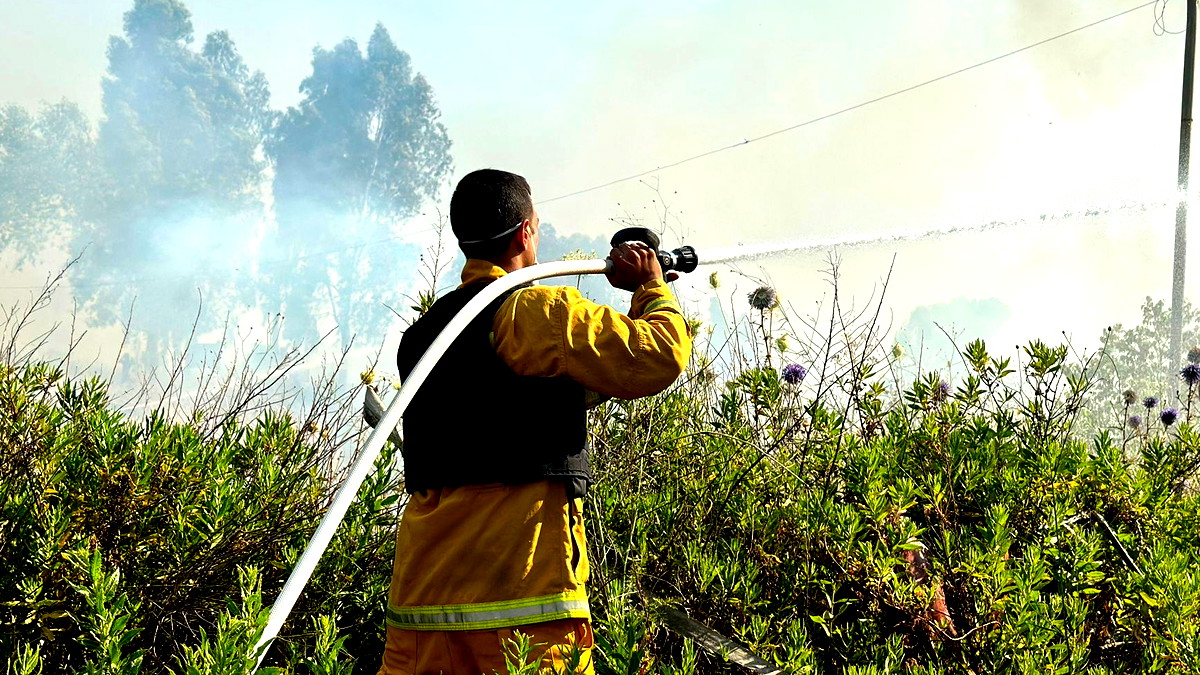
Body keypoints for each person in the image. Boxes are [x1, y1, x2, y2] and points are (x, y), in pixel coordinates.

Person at [377, 169, 691, 674]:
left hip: (423, 607)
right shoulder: (531, 312)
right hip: (521, 609)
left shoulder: (423, 335)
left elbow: (518, 401)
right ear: (525, 232)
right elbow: (657, 355)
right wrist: (651, 287)